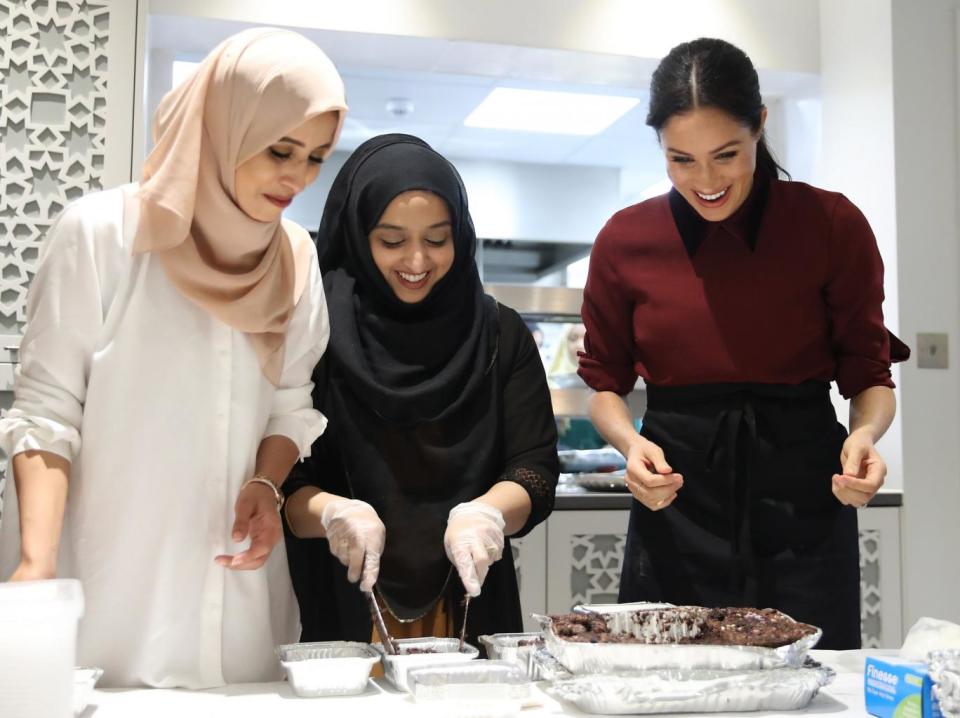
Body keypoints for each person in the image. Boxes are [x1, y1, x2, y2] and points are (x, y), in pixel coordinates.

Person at [0, 29, 348, 687]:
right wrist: (36, 568)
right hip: (110, 575)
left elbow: (290, 404)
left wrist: (266, 486)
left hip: (237, 584)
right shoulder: (104, 234)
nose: (296, 177)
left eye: (315, 159)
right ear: (223, 124)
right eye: (280, 149)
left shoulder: (294, 257)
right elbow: (46, 412)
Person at [578, 38, 909, 649]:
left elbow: (870, 375)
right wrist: (630, 444)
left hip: (805, 495)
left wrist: (863, 437)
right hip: (675, 495)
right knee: (667, 684)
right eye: (681, 159)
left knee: (814, 679)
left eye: (725, 154)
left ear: (760, 124)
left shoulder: (831, 226)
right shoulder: (626, 240)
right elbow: (604, 383)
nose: (705, 181)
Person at [282, 134, 558, 646]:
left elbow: (535, 470)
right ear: (358, 236)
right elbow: (283, 480)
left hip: (473, 599)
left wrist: (488, 514)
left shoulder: (501, 334)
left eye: (437, 239)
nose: (416, 260)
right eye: (391, 241)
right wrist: (333, 514)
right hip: (341, 600)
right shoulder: (314, 333)